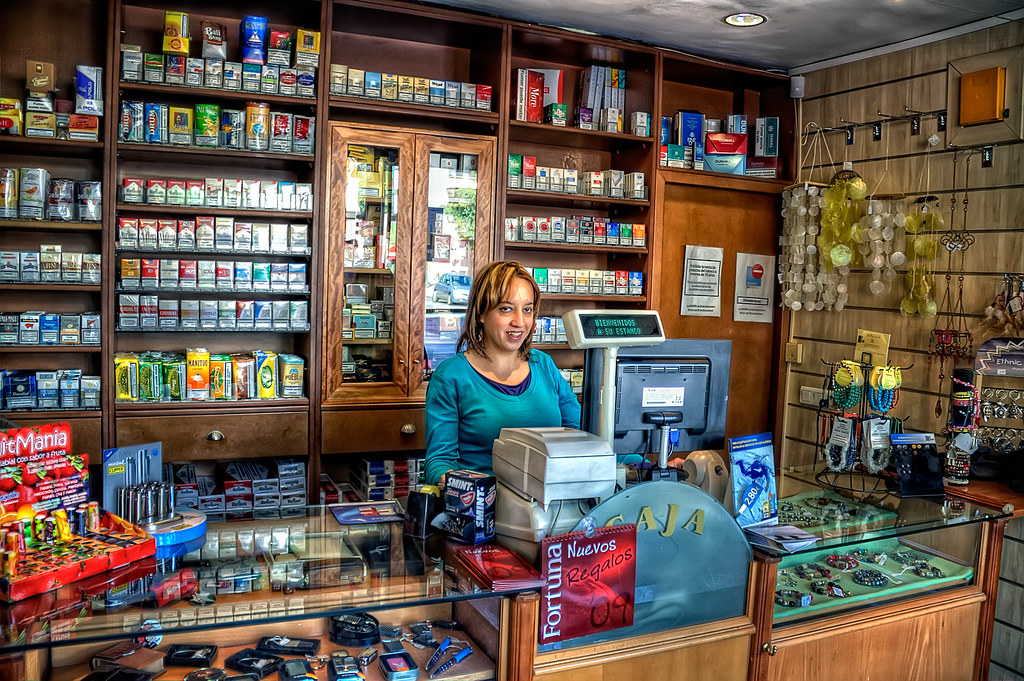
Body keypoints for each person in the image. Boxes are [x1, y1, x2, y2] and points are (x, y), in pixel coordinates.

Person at [425, 260, 581, 486]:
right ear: (481, 313)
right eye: (506, 308)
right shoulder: (451, 376)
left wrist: (628, 463)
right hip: (483, 504)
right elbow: (440, 461)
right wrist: (465, 491)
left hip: (550, 501)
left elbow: (579, 436)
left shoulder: (544, 365)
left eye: (527, 310)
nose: (520, 322)